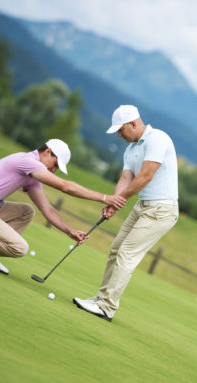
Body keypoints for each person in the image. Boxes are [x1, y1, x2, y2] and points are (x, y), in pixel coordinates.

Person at [73, 105, 178, 322]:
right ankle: (100, 299)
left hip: (161, 210)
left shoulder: (157, 139)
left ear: (133, 123)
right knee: (116, 249)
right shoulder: (130, 149)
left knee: (126, 254)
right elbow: (126, 179)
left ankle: (107, 307)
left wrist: (120, 200)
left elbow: (146, 176)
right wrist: (112, 202)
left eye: (121, 130)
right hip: (143, 206)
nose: (119, 135)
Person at [0, 139, 126, 275]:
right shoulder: (27, 161)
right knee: (19, 247)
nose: (53, 170)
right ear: (47, 152)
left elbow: (48, 209)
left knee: (26, 211)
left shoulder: (31, 175)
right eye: (55, 164)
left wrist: (70, 231)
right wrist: (105, 198)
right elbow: (65, 186)